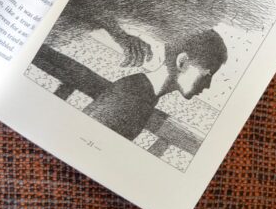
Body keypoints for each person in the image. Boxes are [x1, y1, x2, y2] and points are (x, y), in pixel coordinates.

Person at [83, 29, 228, 141]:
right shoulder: (132, 93)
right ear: (182, 62)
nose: (208, 85)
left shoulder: (143, 91)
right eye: (207, 75)